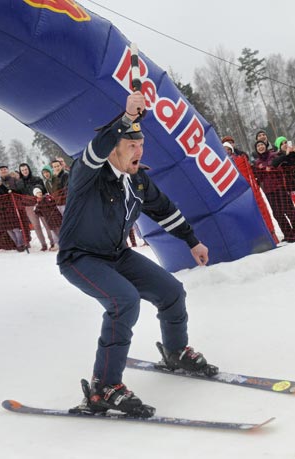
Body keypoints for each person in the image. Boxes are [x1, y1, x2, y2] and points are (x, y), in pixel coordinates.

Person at [57, 91, 216, 418]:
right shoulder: (87, 175)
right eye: (131, 145)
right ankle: (104, 387)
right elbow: (94, 150)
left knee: (172, 292)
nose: (139, 150)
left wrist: (192, 240)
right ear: (113, 150)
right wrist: (126, 118)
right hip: (81, 258)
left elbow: (165, 211)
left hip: (117, 254)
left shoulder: (138, 180)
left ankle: (175, 352)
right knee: (123, 301)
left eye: (141, 145)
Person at [252, 139, 295, 242]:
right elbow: (259, 176)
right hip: (268, 190)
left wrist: (269, 168)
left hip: (280, 186)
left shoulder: (273, 155)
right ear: (256, 149)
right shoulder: (257, 162)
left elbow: (278, 166)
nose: (260, 147)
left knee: (289, 210)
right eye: (258, 146)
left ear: (265, 146)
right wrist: (262, 170)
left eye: (262, 145)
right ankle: (288, 234)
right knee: (277, 213)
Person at [19, 163, 55, 251]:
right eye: (23, 170)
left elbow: (43, 189)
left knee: (46, 224)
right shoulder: (19, 182)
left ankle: (52, 242)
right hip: (29, 206)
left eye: (26, 169)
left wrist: (37, 189)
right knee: (36, 226)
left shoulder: (37, 179)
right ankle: (43, 244)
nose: (25, 171)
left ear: (29, 169)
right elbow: (18, 193)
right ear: (20, 171)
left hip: (40, 204)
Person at [0, 175, 26, 251]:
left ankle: (20, 244)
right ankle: (17, 244)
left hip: (9, 209)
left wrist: (1, 186)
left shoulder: (2, 186)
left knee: (15, 228)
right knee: (8, 229)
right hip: (1, 211)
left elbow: (8, 192)